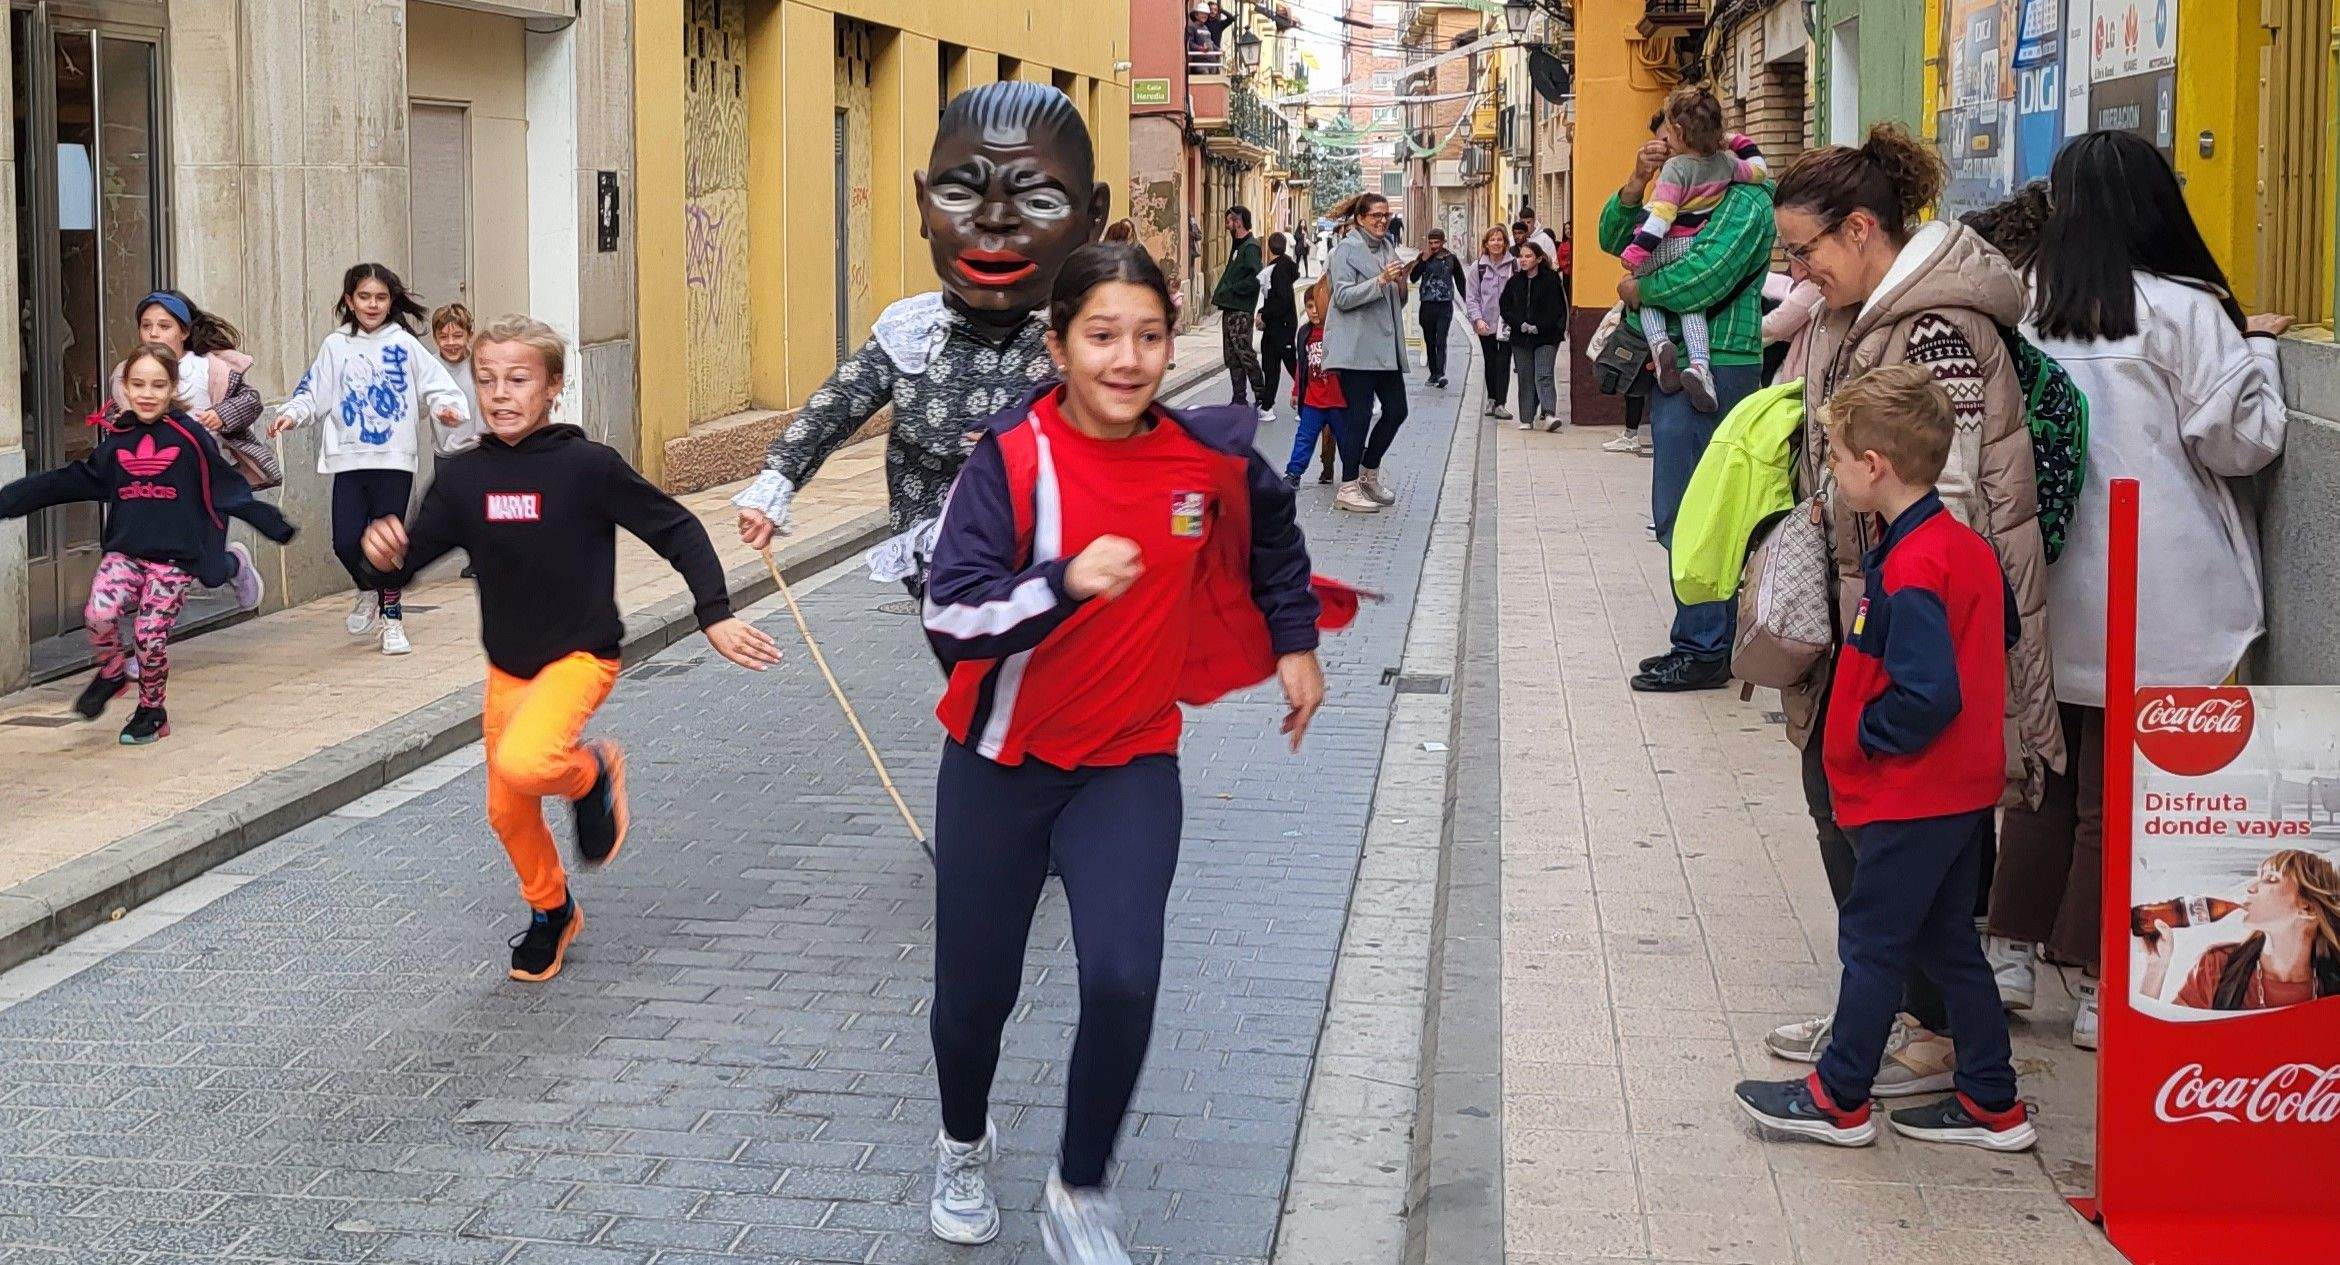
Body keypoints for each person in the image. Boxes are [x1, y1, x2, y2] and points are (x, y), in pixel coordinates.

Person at [917, 243, 1338, 1263]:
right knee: (974, 999)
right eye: (1102, 335)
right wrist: (1063, 579)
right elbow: (950, 614)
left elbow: (1271, 540)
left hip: (1131, 763)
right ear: (1057, 345)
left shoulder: (1207, 460)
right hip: (999, 766)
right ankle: (963, 1139)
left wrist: (1294, 640)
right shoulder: (1013, 461)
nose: (1128, 357)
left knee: (1123, 975)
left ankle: (1080, 1184)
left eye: (1149, 335)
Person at [1757, 125, 2061, 1091]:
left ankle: (1923, 1030)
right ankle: (1886, 1005)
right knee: (1850, 810)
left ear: (1860, 229)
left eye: (1806, 251)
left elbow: (1953, 500)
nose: (1798, 272)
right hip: (1874, 608)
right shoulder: (1861, 314)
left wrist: (1892, 641)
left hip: (1916, 624)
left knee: (1905, 835)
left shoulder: (1934, 327)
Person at [356, 316, 782, 983]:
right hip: (509, 667)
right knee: (505, 807)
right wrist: (383, 557)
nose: (499, 393)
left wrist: (714, 613)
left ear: (553, 385)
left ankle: (590, 774)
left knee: (529, 762)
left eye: (518, 378)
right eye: (486, 378)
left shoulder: (588, 468)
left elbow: (677, 530)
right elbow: (405, 566)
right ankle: (552, 910)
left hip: (581, 655)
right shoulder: (463, 478)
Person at [1982, 130, 2292, 1047]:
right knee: (2114, 795)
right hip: (2163, 588)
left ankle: (2009, 952)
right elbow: (2244, 440)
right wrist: (2263, 351)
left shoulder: (2029, 307)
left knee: (2043, 773)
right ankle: (2094, 978)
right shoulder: (2183, 311)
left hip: (2052, 575)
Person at [1734, 364, 2037, 1154]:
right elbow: (1999, 633)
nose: (1830, 470)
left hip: (1913, 791)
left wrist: (1865, 732)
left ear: (1875, 465)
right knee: (1945, 942)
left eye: (1835, 456)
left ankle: (1838, 1096)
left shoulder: (1909, 566)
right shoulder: (1962, 546)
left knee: (1871, 940)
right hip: (1960, 787)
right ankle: (1993, 1101)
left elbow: (1926, 692)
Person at [734, 82, 1109, 596]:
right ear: (921, 203)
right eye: (958, 194)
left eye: (1038, 198)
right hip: (943, 558)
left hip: (1058, 552)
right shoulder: (910, 334)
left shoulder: (1089, 334)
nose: (993, 220)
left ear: (1092, 216)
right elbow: (837, 407)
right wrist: (776, 483)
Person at [3, 343, 295, 743]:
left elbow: (226, 488)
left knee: (148, 636)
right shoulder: (117, 442)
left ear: (172, 387)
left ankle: (152, 710)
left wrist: (267, 520)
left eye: (158, 385)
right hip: (125, 554)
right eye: (138, 384)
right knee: (97, 614)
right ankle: (111, 673)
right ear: (125, 387)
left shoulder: (189, 438)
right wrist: (12, 499)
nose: (147, 393)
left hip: (173, 563)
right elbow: (72, 479)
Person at [1600, 118, 1775, 692]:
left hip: (1719, 363)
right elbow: (1613, 238)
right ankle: (1701, 638)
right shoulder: (1676, 190)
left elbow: (1704, 279)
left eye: (1669, 140)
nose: (1665, 149)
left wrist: (1638, 290)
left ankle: (1704, 648)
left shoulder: (1745, 202)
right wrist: (1636, 182)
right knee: (1676, 506)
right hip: (1675, 364)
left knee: (1700, 509)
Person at [266, 263, 470, 658]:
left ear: (391, 301)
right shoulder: (336, 345)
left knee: (389, 545)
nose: (372, 304)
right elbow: (314, 392)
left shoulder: (405, 344)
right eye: (364, 297)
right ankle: (367, 589)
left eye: (380, 297)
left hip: (394, 460)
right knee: (345, 541)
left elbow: (437, 386)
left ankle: (392, 619)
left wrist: (446, 407)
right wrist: (292, 413)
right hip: (349, 459)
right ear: (349, 300)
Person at [104, 290, 275, 614]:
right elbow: (117, 417)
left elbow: (251, 401)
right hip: (152, 488)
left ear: (184, 331)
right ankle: (148, 652)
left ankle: (234, 564)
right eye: (146, 326)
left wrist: (223, 414)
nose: (154, 333)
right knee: (151, 570)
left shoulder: (209, 368)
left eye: (164, 326)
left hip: (206, 486)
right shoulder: (131, 371)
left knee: (208, 573)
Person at [1619, 86, 1771, 413]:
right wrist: (1734, 140)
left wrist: (1635, 263)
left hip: (1728, 346)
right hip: (1692, 244)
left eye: (1668, 135)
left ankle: (1660, 346)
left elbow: (1660, 222)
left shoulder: (1679, 172)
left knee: (1643, 285)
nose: (1662, 145)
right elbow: (1759, 169)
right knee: (1690, 307)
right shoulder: (1726, 167)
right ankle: (1698, 367)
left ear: (1680, 133)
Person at [2139, 850, 2340, 1011]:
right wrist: (2156, 968)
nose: (2251, 888)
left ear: (2308, 908)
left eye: (2271, 878)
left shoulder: (2332, 985)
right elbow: (2161, 1047)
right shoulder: (2217, 967)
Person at [1322, 193, 1409, 515]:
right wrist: (1381, 280)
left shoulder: (1387, 246)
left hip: (1384, 349)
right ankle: (1347, 486)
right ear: (1360, 218)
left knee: (1397, 410)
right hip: (1356, 349)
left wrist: (1400, 284)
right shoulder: (1346, 250)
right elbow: (1342, 297)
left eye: (1386, 215)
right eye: (1375, 215)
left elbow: (1394, 300)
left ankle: (1368, 472)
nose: (1382, 220)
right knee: (1358, 416)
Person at [1284, 274, 1346, 487]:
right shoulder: (1305, 333)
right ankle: (1293, 473)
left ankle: (1355, 474)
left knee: (1347, 441)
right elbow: (1302, 364)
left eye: (1317, 305)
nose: (1314, 311)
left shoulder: (1338, 330)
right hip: (1313, 400)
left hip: (1339, 400)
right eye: (1309, 306)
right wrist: (1295, 391)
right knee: (1304, 438)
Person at [1500, 240, 1565, 432]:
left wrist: (1539, 326)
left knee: (1544, 375)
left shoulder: (1551, 280)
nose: (1523, 260)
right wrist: (1520, 325)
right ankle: (1527, 418)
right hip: (1521, 338)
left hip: (1546, 337)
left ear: (1538, 259)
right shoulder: (1514, 282)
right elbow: (1506, 308)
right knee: (1525, 378)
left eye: (1528, 256)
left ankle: (1549, 414)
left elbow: (1557, 309)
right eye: (1521, 256)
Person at [1212, 205, 1269, 415]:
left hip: (1240, 310)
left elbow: (1255, 278)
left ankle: (1262, 396)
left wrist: (1232, 290)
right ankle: (1239, 398)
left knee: (1244, 353)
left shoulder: (1250, 247)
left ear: (1238, 222)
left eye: (1229, 222)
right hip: (1230, 307)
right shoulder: (1238, 246)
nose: (1227, 226)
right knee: (1232, 355)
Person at [1463, 226, 1516, 420]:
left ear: (1505, 243)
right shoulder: (1478, 267)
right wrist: (1477, 319)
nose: (1496, 243)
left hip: (1507, 324)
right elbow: (1472, 297)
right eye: (1492, 240)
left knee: (1503, 362)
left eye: (1499, 240)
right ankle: (1492, 398)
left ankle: (1501, 403)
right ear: (1486, 244)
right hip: (1485, 323)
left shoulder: (1515, 266)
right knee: (1490, 362)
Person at [1407, 228, 1463, 390]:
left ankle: (1440, 374)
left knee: (1441, 340)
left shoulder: (1451, 258)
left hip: (1445, 305)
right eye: (1431, 243)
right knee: (1429, 341)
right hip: (1427, 305)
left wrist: (1470, 305)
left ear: (1443, 242)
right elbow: (1413, 277)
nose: (1433, 246)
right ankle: (1433, 373)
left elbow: (1460, 282)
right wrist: (1423, 260)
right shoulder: (1424, 257)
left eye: (1436, 243)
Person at [428, 303, 484, 458]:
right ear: (435, 338)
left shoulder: (481, 364)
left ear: (469, 335)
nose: (451, 342)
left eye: (458, 336)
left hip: (480, 449)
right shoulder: (429, 367)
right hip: (445, 454)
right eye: (444, 337)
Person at [1256, 230, 1301, 416]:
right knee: (1270, 364)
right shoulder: (1279, 267)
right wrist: (1262, 313)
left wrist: (1263, 315)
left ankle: (1307, 403)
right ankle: (1267, 406)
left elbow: (1281, 300)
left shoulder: (1279, 269)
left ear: (1269, 248)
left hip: (1282, 325)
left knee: (1292, 365)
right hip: (1276, 325)